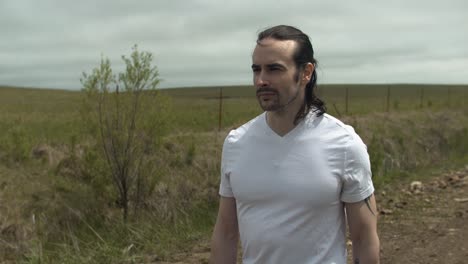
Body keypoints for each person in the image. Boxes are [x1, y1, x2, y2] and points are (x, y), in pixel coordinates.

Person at [209, 25, 379, 264]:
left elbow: (363, 238)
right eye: (256, 70)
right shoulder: (237, 143)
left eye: (274, 69)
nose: (261, 80)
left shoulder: (344, 144)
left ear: (306, 72)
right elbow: (226, 233)